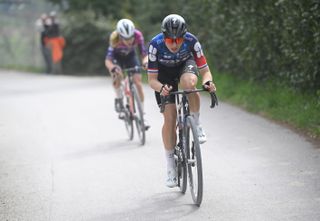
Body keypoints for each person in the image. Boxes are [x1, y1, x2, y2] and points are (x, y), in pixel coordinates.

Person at [147, 14, 216, 187]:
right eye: (171, 40)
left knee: (189, 84)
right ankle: (170, 164)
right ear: (164, 36)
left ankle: (196, 122)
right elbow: (151, 80)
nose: (175, 44)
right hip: (163, 76)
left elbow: (206, 71)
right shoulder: (155, 45)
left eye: (179, 39)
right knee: (169, 119)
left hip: (186, 65)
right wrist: (161, 88)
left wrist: (207, 82)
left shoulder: (192, 41)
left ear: (184, 36)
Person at [105, 18, 150, 129]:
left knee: (138, 82)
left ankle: (142, 116)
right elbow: (108, 60)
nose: (129, 41)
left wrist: (145, 62)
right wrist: (113, 68)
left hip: (130, 56)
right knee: (117, 75)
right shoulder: (114, 38)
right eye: (126, 38)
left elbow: (144, 53)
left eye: (131, 38)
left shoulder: (138, 35)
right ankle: (119, 98)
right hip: (117, 58)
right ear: (120, 36)